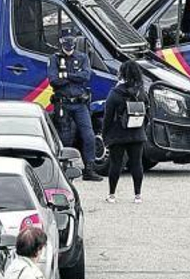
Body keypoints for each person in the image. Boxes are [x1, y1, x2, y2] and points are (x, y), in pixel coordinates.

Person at [52, 29, 102, 182]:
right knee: (65, 137)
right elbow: (54, 80)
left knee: (89, 136)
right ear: (61, 42)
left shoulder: (82, 57)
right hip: (63, 103)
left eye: (71, 41)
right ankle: (64, 169)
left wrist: (66, 75)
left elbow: (86, 76)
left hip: (80, 104)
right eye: (66, 41)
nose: (69, 44)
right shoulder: (54, 58)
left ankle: (89, 169)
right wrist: (75, 77)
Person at [100, 60, 149, 203]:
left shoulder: (115, 93)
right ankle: (137, 195)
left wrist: (105, 135)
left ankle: (112, 194)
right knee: (136, 163)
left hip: (118, 134)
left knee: (116, 164)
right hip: (137, 133)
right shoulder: (141, 93)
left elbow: (108, 116)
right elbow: (148, 113)